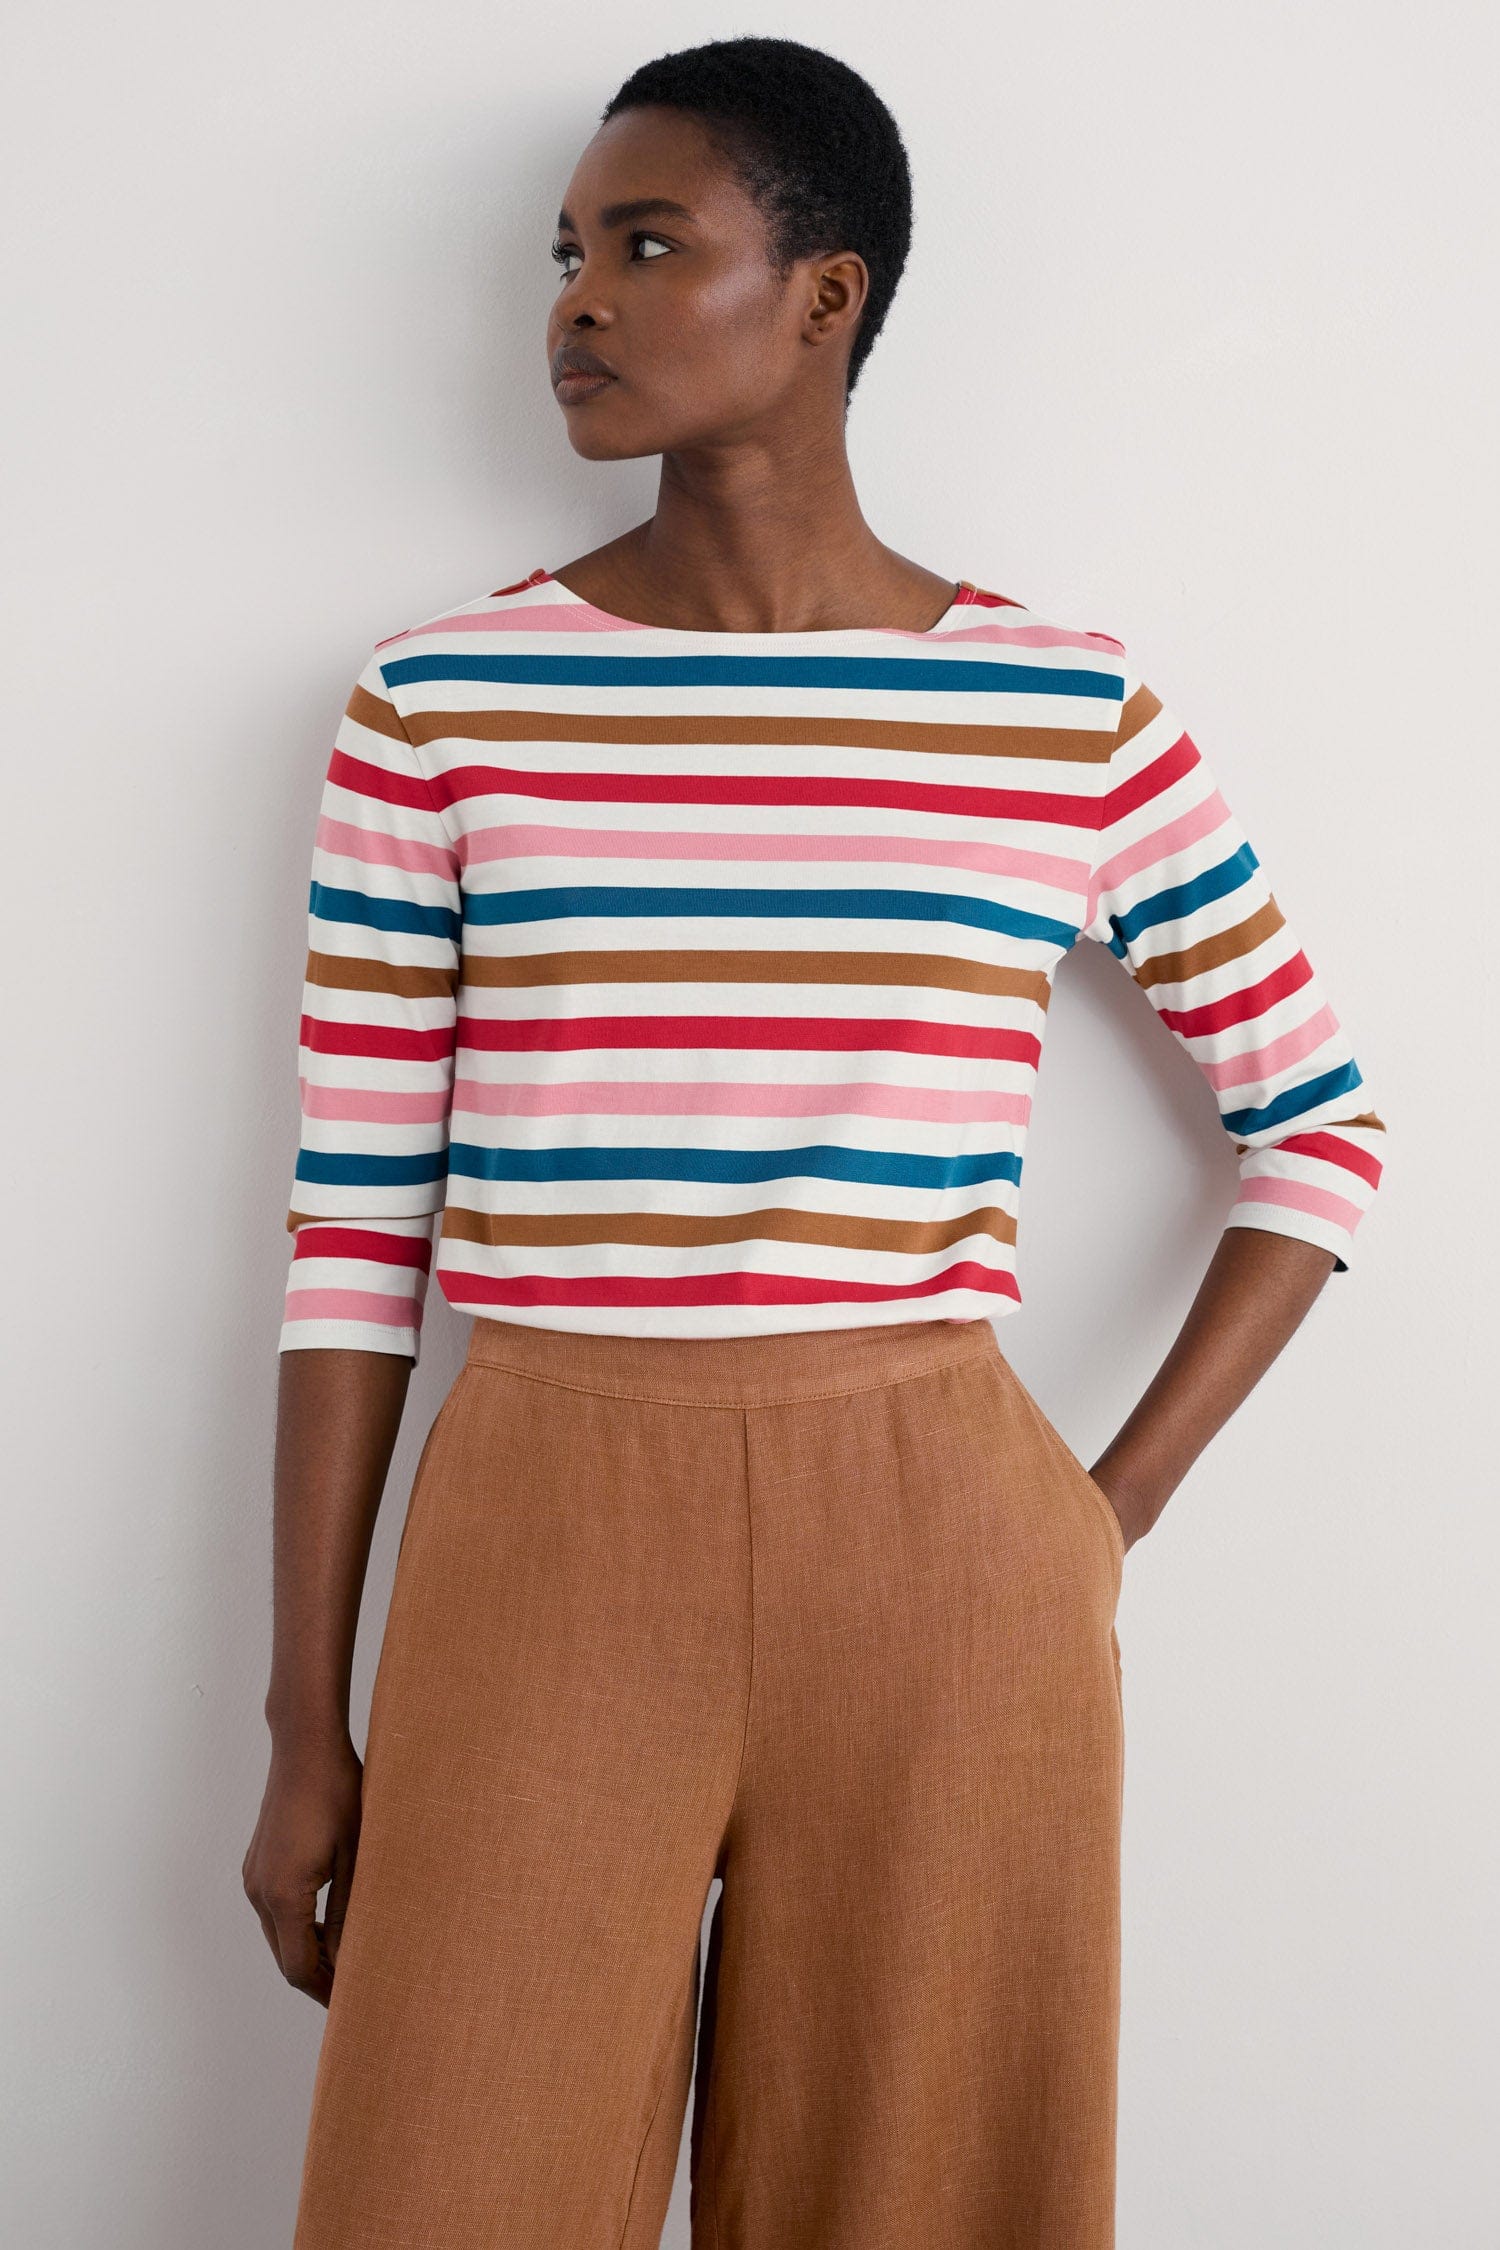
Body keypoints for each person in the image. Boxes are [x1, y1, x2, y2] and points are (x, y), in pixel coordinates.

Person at [243, 34, 1387, 2250]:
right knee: (444, 2184)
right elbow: (353, 1229)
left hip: (939, 1542)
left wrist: (1096, 1524)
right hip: (543, 1524)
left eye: (645, 244)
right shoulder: (443, 704)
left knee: (932, 2198)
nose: (577, 300)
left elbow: (1317, 1124)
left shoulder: (1063, 707)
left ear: (826, 293)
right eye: (565, 252)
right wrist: (307, 1719)